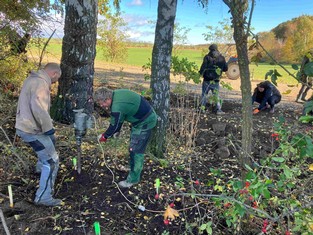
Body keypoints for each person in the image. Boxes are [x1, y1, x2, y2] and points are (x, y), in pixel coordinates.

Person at [15, 63, 62, 206]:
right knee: (52, 161)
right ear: (54, 73)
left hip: (23, 125)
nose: (54, 83)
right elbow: (39, 108)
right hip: (31, 129)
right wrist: (48, 128)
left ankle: (40, 170)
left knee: (50, 143)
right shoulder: (41, 83)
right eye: (56, 79)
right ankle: (43, 197)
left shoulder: (31, 79)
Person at [95, 88, 157, 188]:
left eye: (102, 103)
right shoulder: (117, 94)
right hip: (141, 119)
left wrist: (104, 136)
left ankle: (132, 180)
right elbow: (120, 118)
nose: (102, 106)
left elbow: (114, 125)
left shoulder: (117, 105)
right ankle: (133, 168)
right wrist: (117, 130)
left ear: (107, 99)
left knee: (136, 150)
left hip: (145, 122)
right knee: (134, 148)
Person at [199, 44, 228, 114]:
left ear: (210, 49)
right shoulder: (222, 58)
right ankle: (218, 110)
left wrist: (200, 73)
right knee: (216, 95)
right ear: (217, 49)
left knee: (204, 94)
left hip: (206, 80)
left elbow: (203, 67)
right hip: (216, 80)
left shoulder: (207, 57)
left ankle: (202, 109)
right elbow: (225, 69)